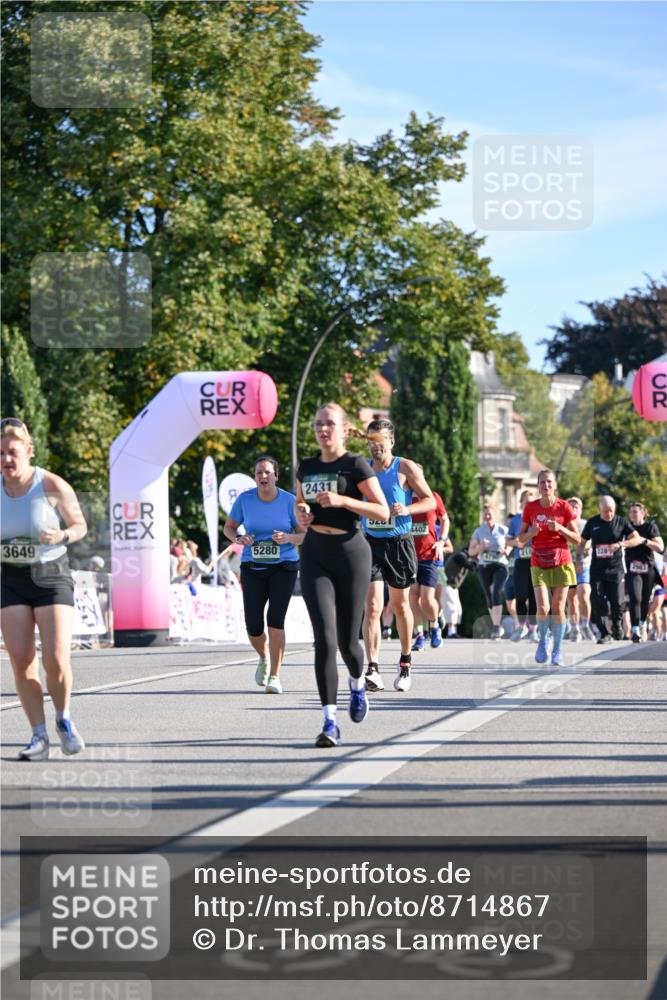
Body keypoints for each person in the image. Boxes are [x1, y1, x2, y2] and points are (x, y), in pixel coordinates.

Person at [295, 404, 389, 747]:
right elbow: (300, 506)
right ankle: (329, 722)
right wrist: (303, 515)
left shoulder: (355, 465)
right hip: (316, 552)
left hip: (352, 553)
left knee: (349, 644)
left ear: (344, 429)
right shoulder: (306, 466)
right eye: (318, 423)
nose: (323, 429)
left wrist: (343, 501)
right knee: (324, 640)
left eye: (329, 424)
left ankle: (357, 682)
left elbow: (380, 510)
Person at [1, 417, 87, 760]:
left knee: (55, 658)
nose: (6, 459)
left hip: (50, 574)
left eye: (12, 452)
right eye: (1, 454)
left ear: (28, 451)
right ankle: (38, 736)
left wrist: (61, 535)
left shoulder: (50, 483)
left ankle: (63, 719)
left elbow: (80, 525)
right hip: (10, 577)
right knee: (22, 661)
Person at [361, 419, 435, 693]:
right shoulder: (363, 469)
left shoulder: (405, 467)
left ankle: (405, 662)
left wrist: (407, 509)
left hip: (399, 543)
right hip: (371, 543)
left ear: (391, 442)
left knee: (401, 605)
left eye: (379, 441)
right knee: (372, 606)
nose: (374, 447)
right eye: (370, 441)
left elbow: (430, 501)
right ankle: (373, 668)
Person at [224, 456, 304, 694]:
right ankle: (263, 656)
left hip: (284, 567)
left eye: (268, 472)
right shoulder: (245, 500)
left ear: (276, 476)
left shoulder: (289, 501)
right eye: (259, 473)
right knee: (253, 625)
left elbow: (305, 535)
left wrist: (288, 538)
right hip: (253, 567)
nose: (263, 476)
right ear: (255, 477)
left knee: (275, 620)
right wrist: (238, 538)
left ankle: (275, 676)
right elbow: (229, 527)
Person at [518, 469, 581, 666]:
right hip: (538, 561)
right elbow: (520, 540)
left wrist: (561, 529)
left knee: (558, 608)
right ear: (537, 486)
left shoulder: (564, 507)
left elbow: (578, 539)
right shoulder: (530, 508)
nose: (546, 485)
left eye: (549, 482)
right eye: (542, 482)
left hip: (562, 561)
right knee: (543, 608)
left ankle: (557, 651)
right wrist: (532, 533)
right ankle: (543, 641)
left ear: (555, 485)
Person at [578, 496, 641, 645]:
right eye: (606, 511)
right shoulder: (592, 523)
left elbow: (637, 539)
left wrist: (620, 544)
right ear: (599, 509)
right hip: (597, 570)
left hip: (616, 569)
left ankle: (617, 625)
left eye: (611, 511)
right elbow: (581, 543)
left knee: (618, 602)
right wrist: (578, 560)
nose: (609, 514)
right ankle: (604, 632)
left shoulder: (621, 522)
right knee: (597, 601)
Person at [410, 489, 449, 651]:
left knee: (426, 598)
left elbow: (445, 519)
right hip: (409, 555)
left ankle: (434, 626)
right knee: (412, 595)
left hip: (429, 554)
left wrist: (442, 541)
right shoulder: (403, 496)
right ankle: (419, 635)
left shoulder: (433, 497)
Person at [468, 499, 510, 640]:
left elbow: (513, 542)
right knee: (489, 595)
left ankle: (497, 627)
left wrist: (508, 550)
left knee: (496, 591)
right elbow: (471, 552)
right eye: (485, 514)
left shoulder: (503, 529)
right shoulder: (479, 531)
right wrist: (481, 546)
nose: (487, 516)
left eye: (489, 514)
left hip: (500, 565)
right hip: (484, 565)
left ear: (495, 515)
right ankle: (496, 625)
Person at [625, 502, 663, 643]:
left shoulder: (650, 527)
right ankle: (635, 630)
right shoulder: (626, 527)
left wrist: (643, 541)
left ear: (643, 513)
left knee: (645, 601)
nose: (633, 514)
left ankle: (642, 623)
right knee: (635, 598)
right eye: (631, 512)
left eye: (635, 512)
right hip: (632, 568)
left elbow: (660, 547)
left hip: (648, 569)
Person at [506, 489, 538, 642]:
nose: (529, 505)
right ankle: (522, 626)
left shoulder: (539, 518)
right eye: (526, 503)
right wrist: (516, 543)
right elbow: (509, 540)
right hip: (521, 560)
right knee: (520, 596)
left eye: (531, 502)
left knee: (533, 596)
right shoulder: (516, 520)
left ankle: (533, 629)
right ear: (521, 504)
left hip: (536, 561)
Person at [565, 497, 595, 641]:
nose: (574, 509)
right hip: (567, 566)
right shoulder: (563, 524)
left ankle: (585, 625)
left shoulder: (586, 524)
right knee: (571, 598)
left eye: (576, 507)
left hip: (584, 565)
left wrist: (585, 549)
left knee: (583, 594)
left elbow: (589, 545)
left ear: (581, 509)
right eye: (571, 507)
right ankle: (575, 628)